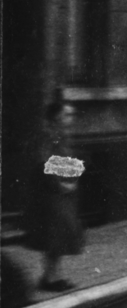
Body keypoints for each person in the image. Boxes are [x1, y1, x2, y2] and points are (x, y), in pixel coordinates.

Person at [36, 93, 85, 293]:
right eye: (67, 115)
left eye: (71, 115)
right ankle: (50, 278)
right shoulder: (49, 137)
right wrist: (62, 184)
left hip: (65, 194)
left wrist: (72, 174)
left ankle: (52, 276)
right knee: (56, 235)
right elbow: (45, 163)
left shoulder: (63, 137)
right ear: (57, 118)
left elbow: (70, 162)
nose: (70, 119)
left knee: (61, 235)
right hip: (53, 195)